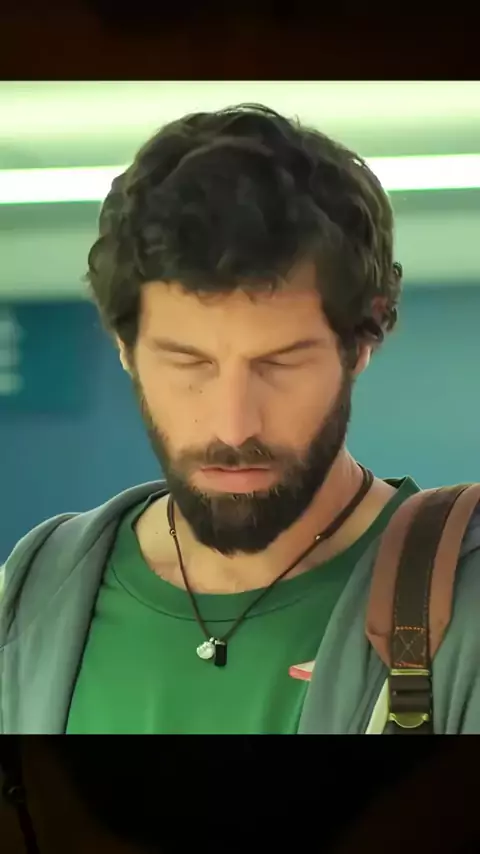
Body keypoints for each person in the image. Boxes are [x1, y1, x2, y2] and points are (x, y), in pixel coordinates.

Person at [1, 104, 479, 735]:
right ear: (125, 349)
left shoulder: (466, 601)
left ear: (360, 344)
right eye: (188, 363)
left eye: (279, 363)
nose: (232, 427)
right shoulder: (33, 593)